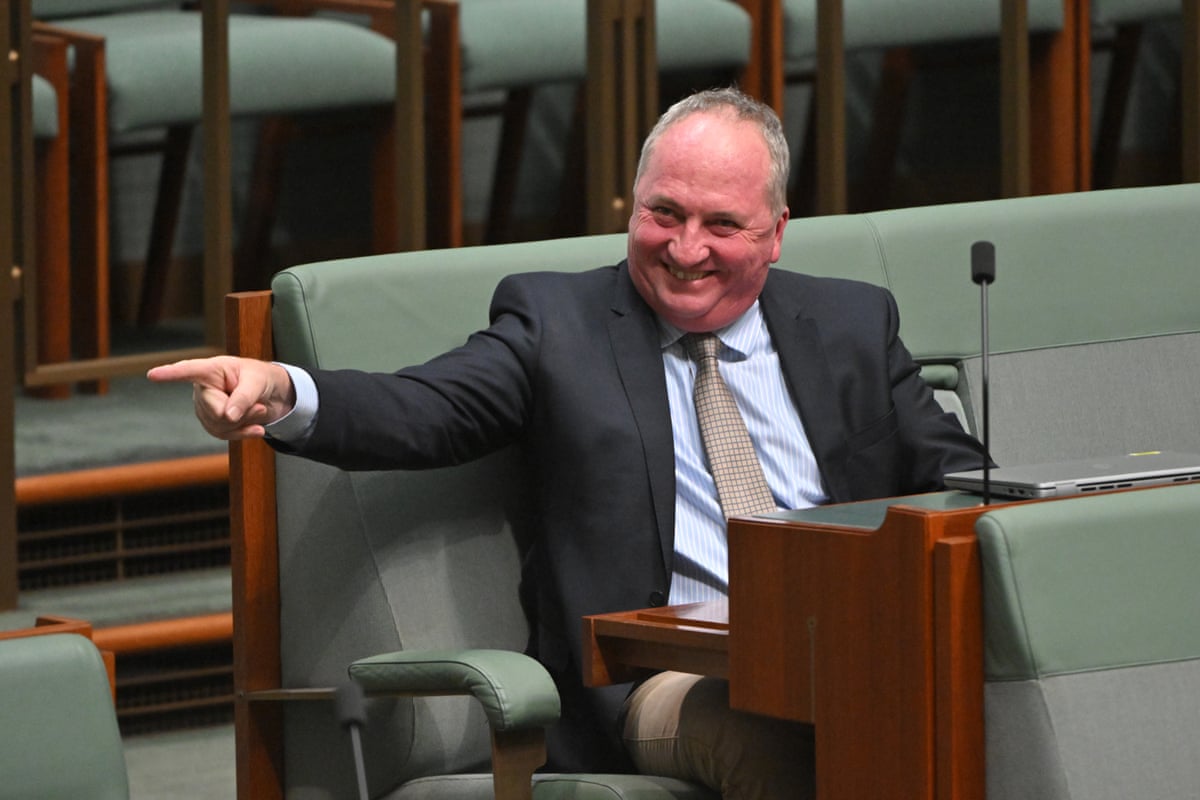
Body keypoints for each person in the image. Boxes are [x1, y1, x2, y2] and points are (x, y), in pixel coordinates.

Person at [150, 87, 987, 798]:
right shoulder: (558, 324)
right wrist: (284, 392)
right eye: (665, 213)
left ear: (775, 232)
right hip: (667, 682)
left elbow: (959, 477)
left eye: (721, 225)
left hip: (850, 648)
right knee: (774, 733)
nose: (686, 249)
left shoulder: (849, 322)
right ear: (633, 200)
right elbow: (428, 406)